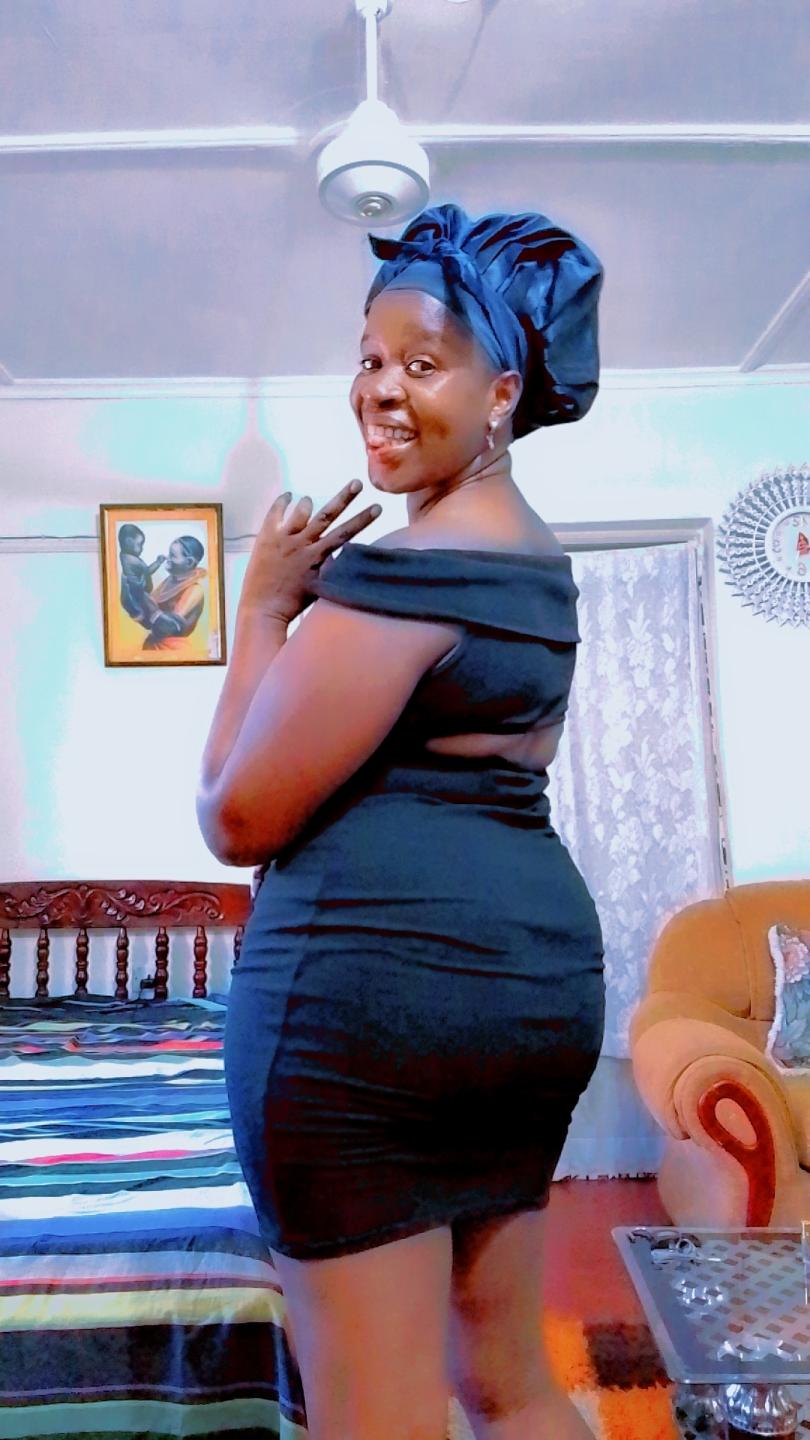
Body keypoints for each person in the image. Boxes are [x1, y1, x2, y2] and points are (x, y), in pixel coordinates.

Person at [197, 203, 605, 1440]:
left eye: (423, 363)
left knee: (381, 1418)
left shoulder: (410, 574)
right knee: (513, 1384)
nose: (379, 389)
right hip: (527, 1000)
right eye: (371, 358)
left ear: (502, 393)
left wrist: (263, 611)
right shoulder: (535, 566)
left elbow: (235, 816)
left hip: (370, 1015)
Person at [137, 535, 207, 653]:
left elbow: (168, 625)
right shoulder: (170, 581)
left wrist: (144, 602)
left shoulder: (195, 590)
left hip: (173, 649)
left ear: (189, 562)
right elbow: (150, 606)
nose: (167, 559)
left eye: (172, 556)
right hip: (153, 645)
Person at [117, 523, 166, 621]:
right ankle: (157, 619)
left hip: (133, 592)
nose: (142, 548)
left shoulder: (123, 556)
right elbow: (148, 571)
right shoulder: (134, 561)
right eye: (140, 544)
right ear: (129, 542)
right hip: (137, 593)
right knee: (152, 607)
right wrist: (158, 562)